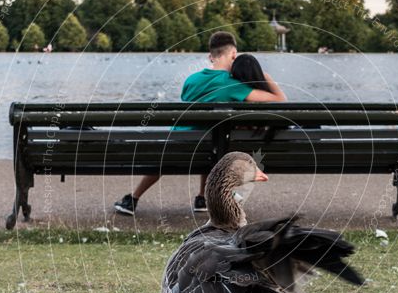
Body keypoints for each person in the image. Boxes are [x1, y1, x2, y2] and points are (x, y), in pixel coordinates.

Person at [114, 31, 286, 216]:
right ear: (234, 54)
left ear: (210, 56)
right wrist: (265, 76)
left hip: (177, 144)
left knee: (199, 137)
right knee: (212, 140)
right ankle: (201, 198)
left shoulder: (191, 80)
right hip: (209, 148)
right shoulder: (234, 86)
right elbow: (280, 100)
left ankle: (133, 199)